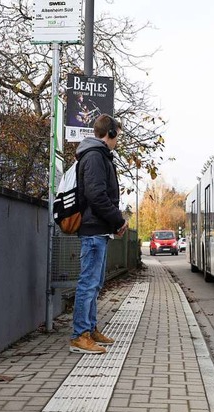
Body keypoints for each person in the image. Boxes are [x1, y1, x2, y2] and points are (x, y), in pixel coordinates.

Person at [69, 114, 129, 354]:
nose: (117, 141)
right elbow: (96, 196)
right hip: (93, 230)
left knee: (95, 284)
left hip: (99, 230)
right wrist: (118, 220)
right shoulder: (94, 156)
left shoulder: (98, 155)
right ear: (110, 133)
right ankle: (79, 335)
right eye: (117, 136)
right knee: (88, 284)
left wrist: (113, 224)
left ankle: (90, 329)